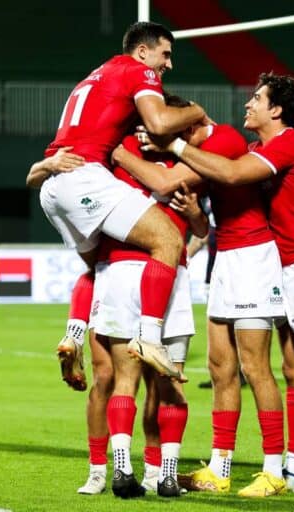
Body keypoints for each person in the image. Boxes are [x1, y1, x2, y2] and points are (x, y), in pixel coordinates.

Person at [143, 72, 294, 498]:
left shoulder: (288, 144)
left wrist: (172, 144)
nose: (248, 104)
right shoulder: (260, 149)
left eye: (257, 98)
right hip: (283, 265)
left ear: (277, 110)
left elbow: (228, 174)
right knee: (292, 370)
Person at [35, 21, 207, 387]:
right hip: (85, 175)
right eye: (166, 54)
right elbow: (159, 123)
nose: (168, 65)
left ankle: (74, 335)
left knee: (96, 267)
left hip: (53, 186)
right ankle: (148, 336)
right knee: (168, 241)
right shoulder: (137, 70)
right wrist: (195, 111)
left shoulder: (94, 76)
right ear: (143, 51)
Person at [123, 118, 288, 497]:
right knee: (220, 367)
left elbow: (165, 181)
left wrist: (124, 150)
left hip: (253, 256)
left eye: (178, 136)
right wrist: (196, 210)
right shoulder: (201, 152)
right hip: (226, 258)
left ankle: (273, 470)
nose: (175, 143)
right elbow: (202, 225)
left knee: (255, 366)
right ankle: (220, 467)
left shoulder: (226, 137)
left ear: (194, 125)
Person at [86, 129, 207, 499]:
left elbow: (201, 227)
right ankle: (165, 476)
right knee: (170, 383)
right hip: (169, 275)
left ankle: (125, 469)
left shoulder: (113, 159)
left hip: (121, 272)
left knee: (126, 379)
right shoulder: (184, 167)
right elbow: (201, 229)